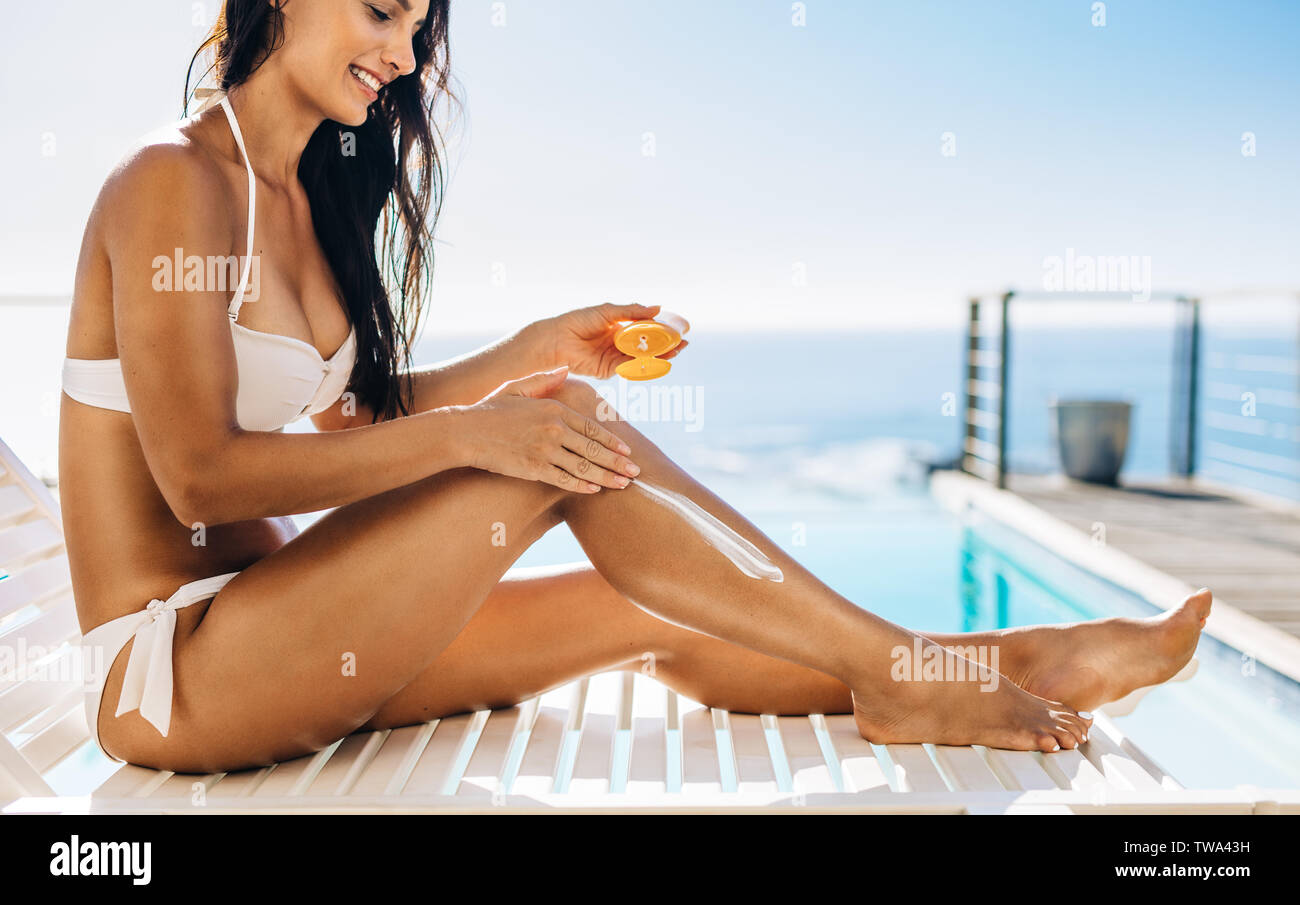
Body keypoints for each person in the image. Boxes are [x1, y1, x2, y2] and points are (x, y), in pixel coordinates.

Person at [59, 0, 1209, 774]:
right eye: (381, 12)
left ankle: (1005, 661)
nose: (405, 56)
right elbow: (201, 469)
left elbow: (354, 419)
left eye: (416, 26)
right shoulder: (175, 182)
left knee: (644, 599)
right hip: (176, 668)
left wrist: (521, 354)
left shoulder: (308, 194)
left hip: (290, 628)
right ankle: (899, 676)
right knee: (561, 436)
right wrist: (488, 435)